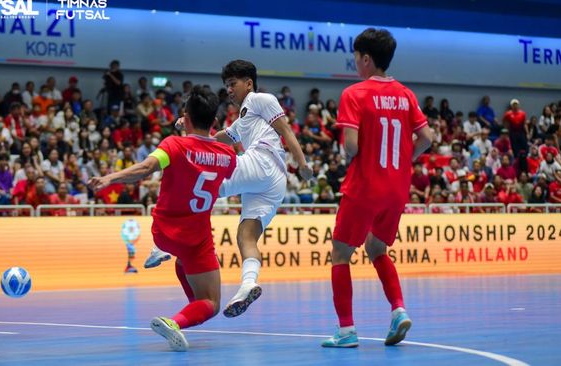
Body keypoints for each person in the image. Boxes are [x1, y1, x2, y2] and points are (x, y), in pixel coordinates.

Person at [146, 60, 313, 317]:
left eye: (233, 84)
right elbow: (218, 137)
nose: (229, 90)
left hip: (264, 162)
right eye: (226, 85)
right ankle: (248, 283)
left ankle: (165, 245)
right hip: (273, 183)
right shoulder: (244, 117)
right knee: (246, 235)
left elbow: (285, 130)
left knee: (204, 183)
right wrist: (191, 124)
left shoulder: (260, 99)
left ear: (249, 83)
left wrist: (302, 163)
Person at [88, 86, 236, 351]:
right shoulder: (227, 157)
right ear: (214, 121)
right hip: (197, 239)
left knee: (181, 260)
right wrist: (196, 127)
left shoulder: (173, 145)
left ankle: (164, 255)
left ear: (185, 117)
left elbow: (145, 168)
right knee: (211, 303)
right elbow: (209, 146)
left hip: (164, 233)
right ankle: (176, 321)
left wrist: (108, 179)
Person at [321, 28, 433, 348]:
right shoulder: (406, 94)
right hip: (397, 189)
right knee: (377, 250)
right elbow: (427, 138)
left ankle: (346, 331)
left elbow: (352, 147)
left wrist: (349, 148)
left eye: (356, 57)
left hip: (364, 186)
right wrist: (403, 159)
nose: (355, 62)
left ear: (366, 58)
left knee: (341, 254)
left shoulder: (354, 94)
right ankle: (398, 310)